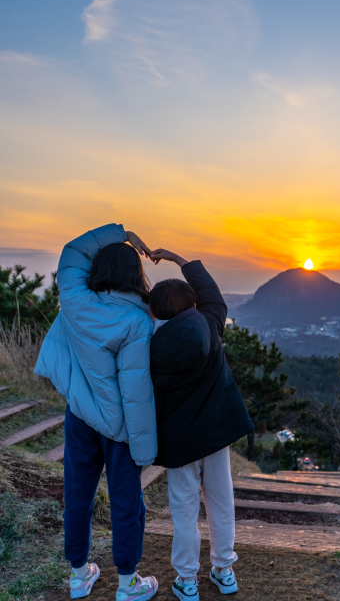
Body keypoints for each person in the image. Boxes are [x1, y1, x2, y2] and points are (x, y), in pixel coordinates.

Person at [35, 224, 159, 601]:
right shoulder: (138, 321)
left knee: (77, 492)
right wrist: (144, 451)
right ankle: (127, 584)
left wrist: (120, 232)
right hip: (118, 427)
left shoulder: (75, 300)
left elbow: (72, 253)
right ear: (135, 276)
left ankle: (78, 577)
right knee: (126, 501)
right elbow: (136, 393)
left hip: (79, 416)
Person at [148, 248, 254, 601]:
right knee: (221, 504)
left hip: (179, 444)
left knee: (184, 512)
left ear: (154, 311)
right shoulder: (209, 324)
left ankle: (187, 581)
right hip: (215, 436)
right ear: (192, 307)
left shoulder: (148, 347)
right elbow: (213, 295)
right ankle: (224, 571)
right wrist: (181, 260)